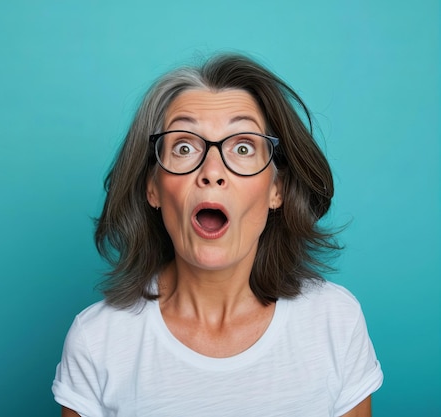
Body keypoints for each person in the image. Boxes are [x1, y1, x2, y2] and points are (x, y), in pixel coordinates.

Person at [52, 53, 383, 417]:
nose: (212, 172)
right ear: (153, 188)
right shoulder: (97, 341)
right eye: (184, 147)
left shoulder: (335, 321)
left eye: (242, 147)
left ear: (277, 190)